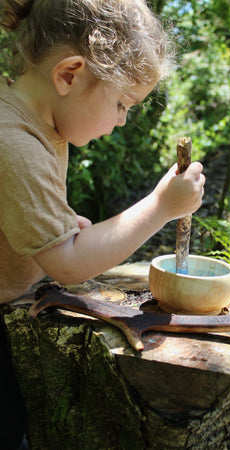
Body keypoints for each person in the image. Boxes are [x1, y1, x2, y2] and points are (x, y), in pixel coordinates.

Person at [0, 0, 205, 447]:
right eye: (121, 103)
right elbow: (69, 266)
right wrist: (161, 206)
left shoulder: (40, 123)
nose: (121, 120)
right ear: (69, 75)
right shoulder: (14, 142)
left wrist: (53, 223)